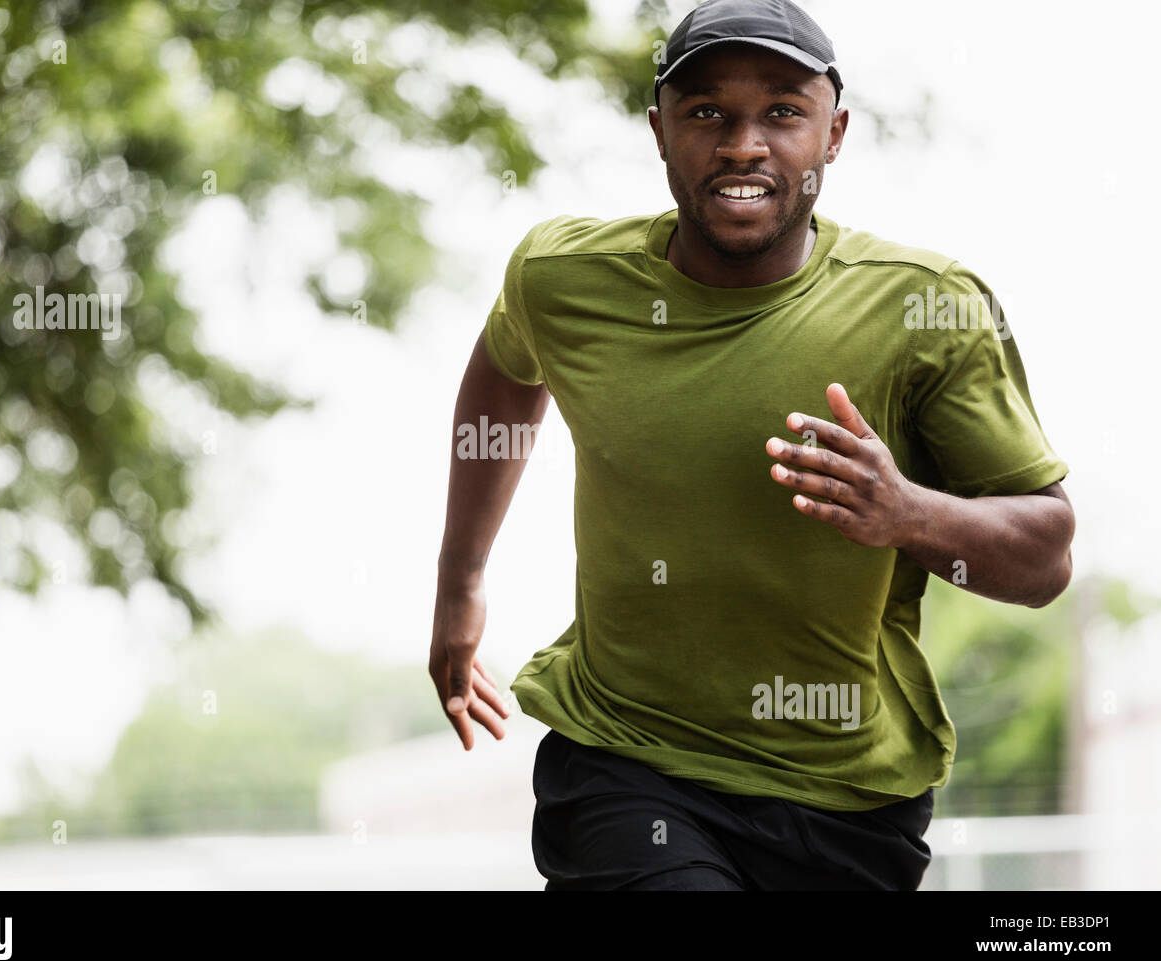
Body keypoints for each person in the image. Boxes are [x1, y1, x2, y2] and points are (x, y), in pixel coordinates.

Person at [428, 0, 1075, 890]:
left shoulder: (929, 308)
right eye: (705, 112)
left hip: (848, 799)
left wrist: (908, 514)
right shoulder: (562, 280)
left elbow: (1045, 558)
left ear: (834, 133)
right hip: (627, 757)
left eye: (782, 111)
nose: (742, 145)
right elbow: (506, 382)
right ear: (658, 129)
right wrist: (462, 582)